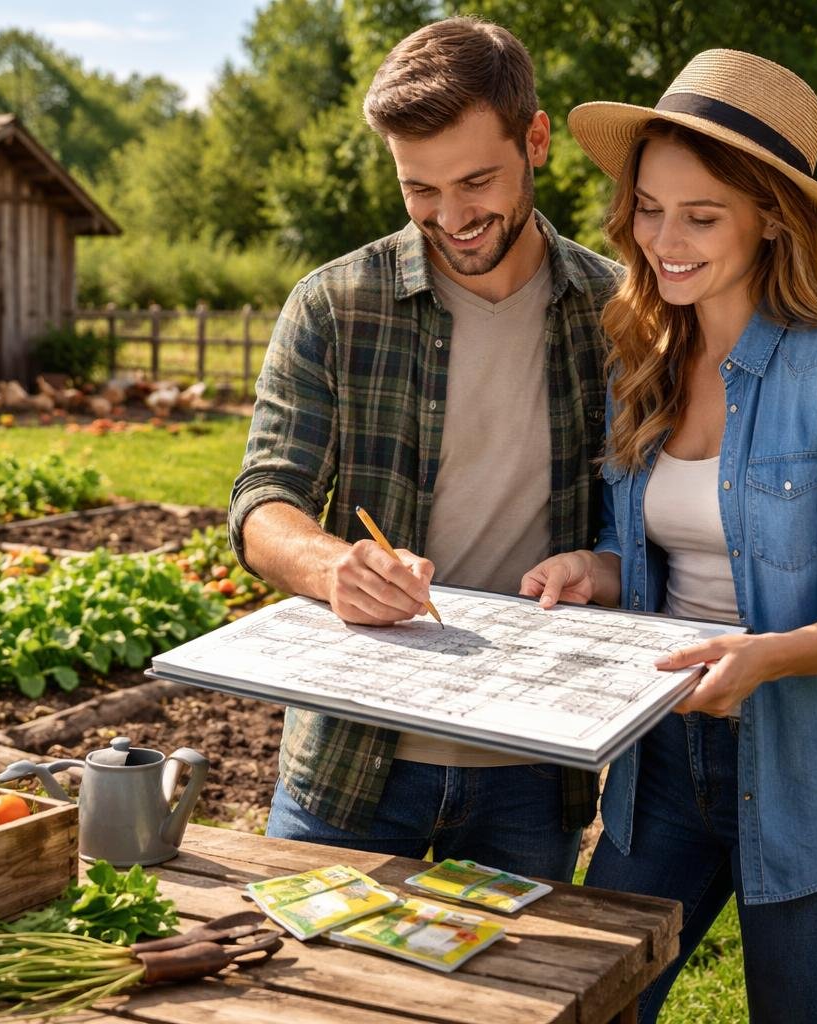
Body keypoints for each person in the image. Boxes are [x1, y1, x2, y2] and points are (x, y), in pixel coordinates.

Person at [521, 50, 817, 1021]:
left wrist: (770, 655)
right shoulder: (647, 356)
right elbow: (671, 555)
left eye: (701, 216)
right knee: (600, 1005)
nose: (664, 239)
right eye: (650, 208)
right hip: (662, 763)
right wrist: (596, 565)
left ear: (771, 219)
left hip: (813, 773)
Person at [227, 16, 620, 881]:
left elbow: (654, 517)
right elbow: (262, 500)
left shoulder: (618, 314)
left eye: (476, 181)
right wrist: (333, 567)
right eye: (420, 190)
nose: (452, 217)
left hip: (533, 764)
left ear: (538, 140)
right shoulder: (334, 304)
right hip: (351, 758)